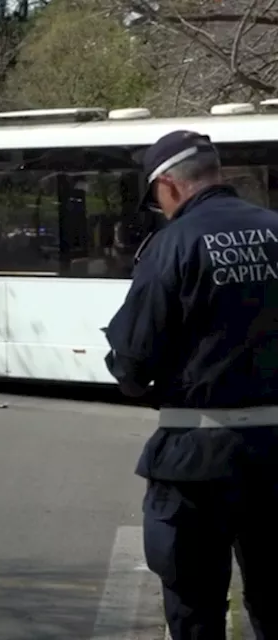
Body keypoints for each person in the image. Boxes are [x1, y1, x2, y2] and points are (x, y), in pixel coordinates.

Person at [105, 130, 278, 640]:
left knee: (194, 606)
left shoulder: (170, 245)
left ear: (170, 187)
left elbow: (133, 365)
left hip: (195, 462)